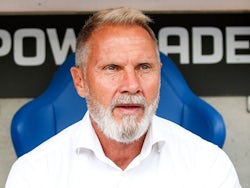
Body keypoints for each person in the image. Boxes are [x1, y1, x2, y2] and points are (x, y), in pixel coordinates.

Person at [6, 7, 241, 188]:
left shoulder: (207, 164)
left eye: (144, 67)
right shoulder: (35, 173)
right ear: (80, 82)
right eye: (112, 68)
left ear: (159, 74)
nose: (132, 85)